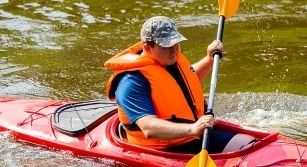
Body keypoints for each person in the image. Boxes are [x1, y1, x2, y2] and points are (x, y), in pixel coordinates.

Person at [105, 16, 253, 154]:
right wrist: (193, 129)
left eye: (176, 43)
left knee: (249, 143)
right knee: (245, 150)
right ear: (147, 48)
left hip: (192, 135)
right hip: (165, 148)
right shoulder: (131, 81)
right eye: (167, 46)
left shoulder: (166, 59)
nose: (174, 50)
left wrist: (209, 59)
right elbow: (148, 127)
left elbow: (187, 82)